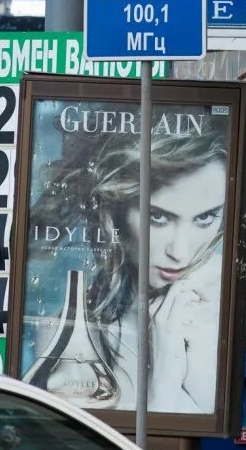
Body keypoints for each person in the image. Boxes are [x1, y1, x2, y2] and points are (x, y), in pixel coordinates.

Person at [23, 103, 230, 414]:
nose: (181, 252)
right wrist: (164, 376)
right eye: (158, 217)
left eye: (205, 218)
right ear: (114, 210)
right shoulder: (69, 334)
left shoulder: (215, 318)